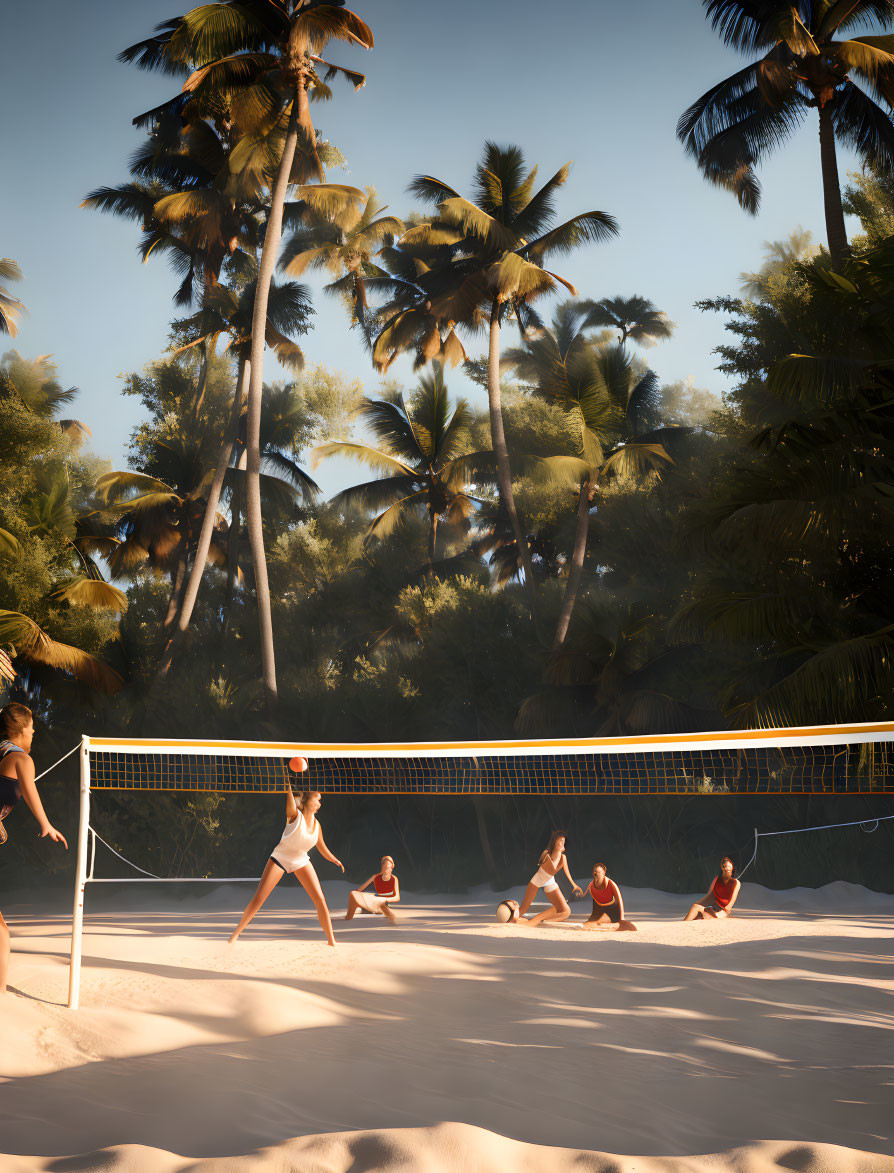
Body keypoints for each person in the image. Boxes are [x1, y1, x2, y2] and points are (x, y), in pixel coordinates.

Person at [0, 702, 68, 994]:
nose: (33, 736)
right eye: (32, 730)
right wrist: (46, 824)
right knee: (1, 933)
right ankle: (2, 995)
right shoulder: (22, 759)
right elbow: (30, 791)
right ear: (21, 731)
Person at [229, 783, 344, 947]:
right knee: (258, 900)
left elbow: (321, 846)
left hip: (300, 860)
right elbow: (290, 797)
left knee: (320, 900)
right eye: (317, 799)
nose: (320, 803)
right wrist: (288, 785)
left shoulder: (317, 825)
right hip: (281, 857)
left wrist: (334, 859)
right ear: (308, 799)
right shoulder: (294, 815)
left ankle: (331, 941)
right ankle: (235, 935)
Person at [518, 831, 583, 927]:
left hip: (550, 882)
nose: (562, 843)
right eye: (561, 841)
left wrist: (574, 885)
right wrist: (556, 854)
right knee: (522, 910)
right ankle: (511, 918)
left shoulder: (563, 857)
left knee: (566, 911)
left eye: (564, 842)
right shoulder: (546, 854)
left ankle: (540, 920)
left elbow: (567, 873)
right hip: (537, 881)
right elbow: (551, 869)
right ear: (555, 841)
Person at [579, 863, 637, 931]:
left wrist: (622, 919)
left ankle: (614, 925)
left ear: (604, 872)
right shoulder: (591, 885)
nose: (596, 874)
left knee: (597, 923)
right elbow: (595, 902)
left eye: (598, 872)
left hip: (612, 912)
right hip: (600, 910)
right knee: (588, 924)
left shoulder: (611, 884)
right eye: (594, 872)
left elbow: (619, 900)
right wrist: (592, 917)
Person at [345, 855, 401, 923]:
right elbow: (359, 890)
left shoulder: (394, 879)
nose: (386, 868)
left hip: (381, 904)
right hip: (375, 901)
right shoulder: (376, 877)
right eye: (384, 866)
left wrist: (385, 899)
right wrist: (372, 878)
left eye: (388, 867)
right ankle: (349, 917)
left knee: (376, 901)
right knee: (353, 894)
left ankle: (349, 918)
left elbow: (397, 897)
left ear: (392, 867)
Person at [684, 856, 741, 920]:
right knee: (695, 907)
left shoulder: (736, 883)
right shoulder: (716, 879)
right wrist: (698, 903)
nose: (727, 869)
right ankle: (683, 924)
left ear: (732, 868)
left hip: (722, 912)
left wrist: (724, 911)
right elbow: (709, 895)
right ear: (722, 867)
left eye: (729, 867)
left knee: (704, 916)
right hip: (713, 907)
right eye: (725, 866)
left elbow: (731, 903)